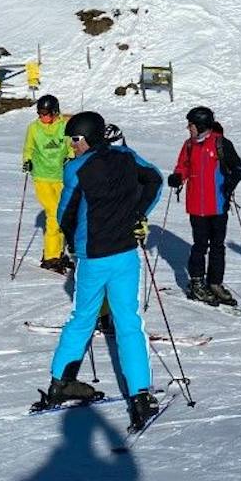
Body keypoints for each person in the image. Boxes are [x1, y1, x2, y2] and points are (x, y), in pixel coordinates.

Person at [39, 111, 164, 431]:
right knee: (128, 323)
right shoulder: (125, 155)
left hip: (94, 258)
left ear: (89, 138)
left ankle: (61, 382)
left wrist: (71, 239)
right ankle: (139, 395)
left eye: (75, 140)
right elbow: (154, 179)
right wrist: (138, 213)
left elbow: (65, 212)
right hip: (123, 254)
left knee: (83, 318)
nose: (72, 146)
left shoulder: (77, 169)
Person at [167, 106, 241, 306]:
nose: (188, 128)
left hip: (218, 205)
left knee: (218, 246)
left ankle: (215, 283)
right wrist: (177, 177)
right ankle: (196, 284)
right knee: (200, 246)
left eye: (191, 124)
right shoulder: (188, 145)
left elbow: (239, 167)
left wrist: (231, 182)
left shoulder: (221, 144)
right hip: (196, 206)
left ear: (201, 125)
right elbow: (183, 166)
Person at [22, 94, 73, 273]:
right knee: (53, 215)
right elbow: (28, 148)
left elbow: (70, 146)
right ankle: (51, 257)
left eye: (46, 114)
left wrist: (71, 158)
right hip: (42, 177)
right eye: (40, 113)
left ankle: (57, 252)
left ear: (55, 112)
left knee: (63, 215)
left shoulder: (64, 126)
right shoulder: (34, 128)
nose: (43, 117)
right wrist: (27, 160)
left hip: (61, 177)